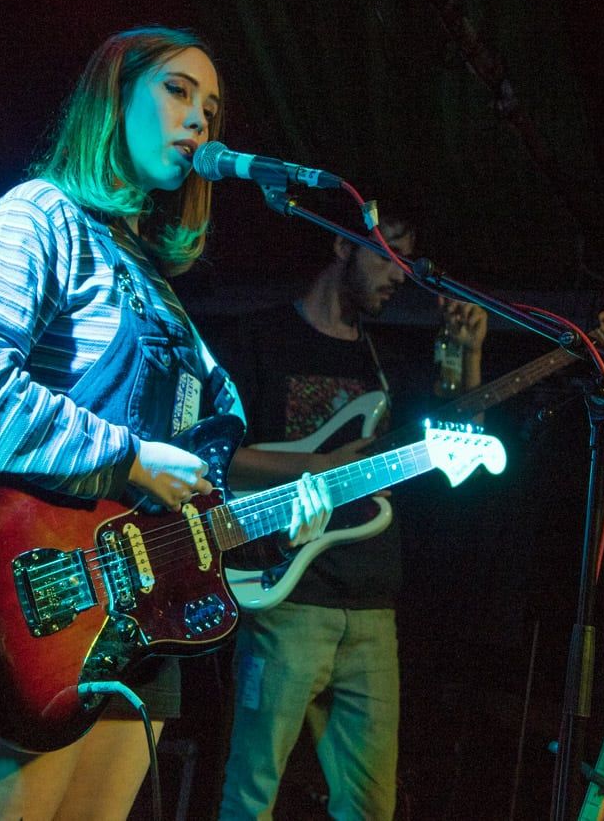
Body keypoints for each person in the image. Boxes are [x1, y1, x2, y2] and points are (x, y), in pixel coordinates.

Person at [0, 27, 333, 821]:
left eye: (212, 108)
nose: (199, 120)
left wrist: (272, 530)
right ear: (114, 96)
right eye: (177, 90)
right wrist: (129, 458)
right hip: (25, 602)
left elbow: (194, 487)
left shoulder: (161, 289)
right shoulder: (42, 214)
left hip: (139, 625)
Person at [216, 211, 488, 820]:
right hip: (285, 601)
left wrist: (467, 358)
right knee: (250, 797)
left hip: (372, 612)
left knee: (370, 809)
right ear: (342, 244)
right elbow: (215, 461)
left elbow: (455, 448)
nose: (400, 276)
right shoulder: (258, 338)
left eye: (407, 262)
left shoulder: (386, 361)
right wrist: (317, 468)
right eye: (389, 255)